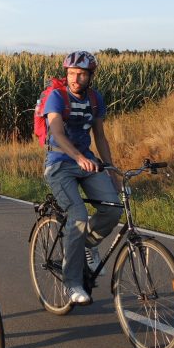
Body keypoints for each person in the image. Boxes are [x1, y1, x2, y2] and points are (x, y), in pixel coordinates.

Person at [41, 50, 122, 306]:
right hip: (59, 164)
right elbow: (57, 132)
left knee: (113, 208)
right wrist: (77, 157)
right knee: (78, 216)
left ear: (90, 76)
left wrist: (110, 168)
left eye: (82, 74)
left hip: (87, 162)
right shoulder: (57, 97)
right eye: (72, 73)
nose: (76, 78)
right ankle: (73, 283)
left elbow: (100, 136)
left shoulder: (95, 99)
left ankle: (86, 244)